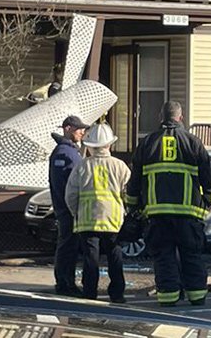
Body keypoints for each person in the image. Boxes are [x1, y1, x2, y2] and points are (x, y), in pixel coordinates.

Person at [126, 101, 211, 307]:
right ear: (180, 118)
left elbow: (135, 180)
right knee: (191, 255)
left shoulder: (148, 143)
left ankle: (168, 297)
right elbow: (208, 178)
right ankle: (197, 296)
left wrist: (133, 205)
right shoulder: (193, 142)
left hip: (157, 214)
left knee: (164, 256)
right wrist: (209, 201)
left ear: (161, 118)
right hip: (189, 214)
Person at [65, 123, 131, 303]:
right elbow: (129, 193)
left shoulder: (81, 166)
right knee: (115, 258)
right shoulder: (120, 166)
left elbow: (70, 195)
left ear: (90, 145)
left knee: (90, 260)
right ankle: (117, 294)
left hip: (87, 221)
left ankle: (90, 294)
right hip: (114, 221)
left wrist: (75, 213)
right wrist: (127, 212)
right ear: (109, 144)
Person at [49, 115, 89, 297]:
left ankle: (67, 282)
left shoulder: (71, 151)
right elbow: (64, 185)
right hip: (68, 210)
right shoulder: (64, 154)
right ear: (67, 128)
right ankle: (65, 283)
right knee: (67, 246)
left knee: (70, 246)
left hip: (70, 208)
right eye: (78, 128)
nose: (82, 131)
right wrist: (70, 206)